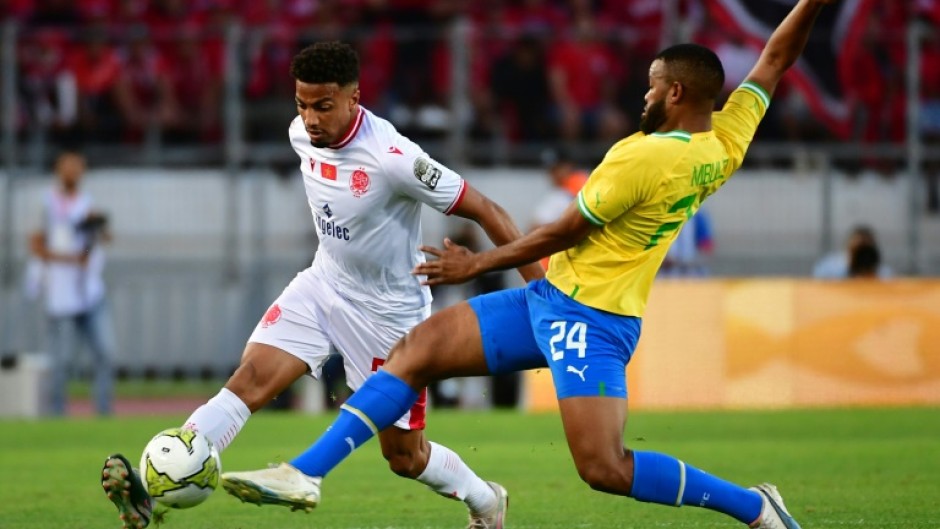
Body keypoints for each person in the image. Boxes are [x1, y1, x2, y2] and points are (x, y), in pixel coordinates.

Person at [220, 2, 835, 528]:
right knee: (414, 353)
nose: (642, 93)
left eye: (651, 84)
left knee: (606, 468)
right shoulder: (725, 142)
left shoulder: (641, 161)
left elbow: (562, 232)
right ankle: (304, 473)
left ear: (675, 94)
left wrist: (476, 264)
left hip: (592, 320)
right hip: (549, 302)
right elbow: (775, 61)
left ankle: (755, 508)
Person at [100, 42, 543, 529]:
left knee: (404, 457)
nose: (310, 118)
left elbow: (487, 210)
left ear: (355, 97)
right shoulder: (300, 134)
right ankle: (156, 494)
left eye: (323, 106)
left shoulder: (393, 157)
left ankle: (485, 500)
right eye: (302, 104)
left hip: (389, 316)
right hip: (322, 286)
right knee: (248, 380)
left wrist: (540, 293)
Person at [27, 150, 115, 416]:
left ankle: (103, 411)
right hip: (61, 293)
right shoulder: (46, 204)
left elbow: (105, 239)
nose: (73, 172)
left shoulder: (87, 203)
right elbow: (36, 245)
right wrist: (71, 259)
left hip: (89, 292)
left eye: (78, 166)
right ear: (58, 169)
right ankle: (57, 413)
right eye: (68, 166)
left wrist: (97, 226)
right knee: (61, 360)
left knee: (105, 352)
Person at [812, 225, 892, 279]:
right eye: (858, 249)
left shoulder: (883, 273)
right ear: (848, 245)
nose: (862, 255)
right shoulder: (829, 267)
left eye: (865, 249)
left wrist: (870, 275)